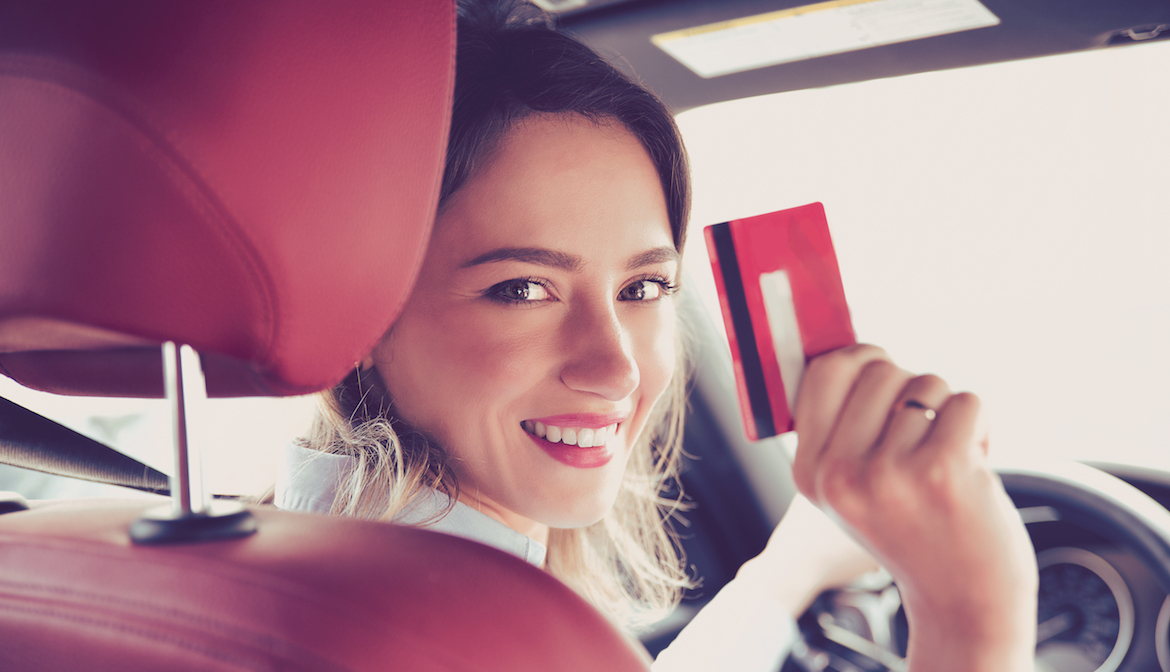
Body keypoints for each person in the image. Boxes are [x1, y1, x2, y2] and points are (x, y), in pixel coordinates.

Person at [274, 1, 1038, 669]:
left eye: (643, 288)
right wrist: (974, 617)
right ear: (365, 311)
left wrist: (779, 577)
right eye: (523, 289)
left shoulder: (284, 559)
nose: (616, 368)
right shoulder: (456, 638)